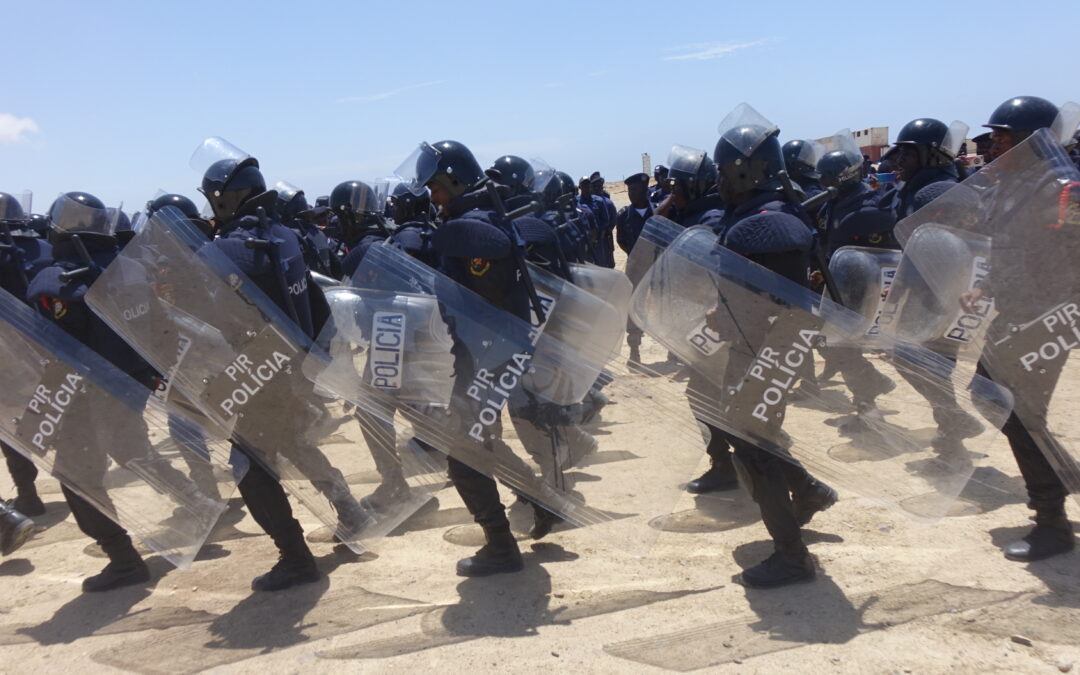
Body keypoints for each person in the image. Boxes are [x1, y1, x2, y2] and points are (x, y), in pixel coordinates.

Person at [706, 105, 837, 587]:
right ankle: (808, 491)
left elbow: (783, 306)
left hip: (767, 353)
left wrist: (738, 316)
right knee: (751, 437)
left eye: (724, 171)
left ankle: (790, 556)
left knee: (753, 449)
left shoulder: (768, 225)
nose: (719, 180)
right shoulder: (759, 216)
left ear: (746, 170)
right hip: (754, 348)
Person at [961, 96, 1079, 562]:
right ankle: (1062, 473)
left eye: (1003, 138)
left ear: (1032, 141)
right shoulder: (1012, 185)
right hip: (1012, 314)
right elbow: (1013, 247)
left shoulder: (1063, 187)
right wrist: (985, 286)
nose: (993, 147)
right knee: (988, 394)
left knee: (1020, 415)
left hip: (1046, 317)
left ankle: (1051, 522)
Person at [26, 192, 155, 591]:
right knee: (135, 453)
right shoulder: (126, 268)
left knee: (78, 477)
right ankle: (194, 503)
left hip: (82, 396)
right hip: (131, 385)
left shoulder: (59, 280)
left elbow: (54, 347)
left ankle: (123, 558)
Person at [0, 192, 49, 516]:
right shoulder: (44, 249)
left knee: (7, 426)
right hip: (47, 350)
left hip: (6, 354)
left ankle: (28, 494)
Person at [615, 173, 653, 366]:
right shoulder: (623, 215)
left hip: (658, 266)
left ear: (645, 190)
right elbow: (620, 240)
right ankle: (634, 349)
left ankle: (674, 351)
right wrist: (634, 254)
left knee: (663, 304)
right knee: (634, 306)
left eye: (635, 190)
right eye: (629, 190)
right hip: (636, 267)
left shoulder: (657, 214)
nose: (631, 194)